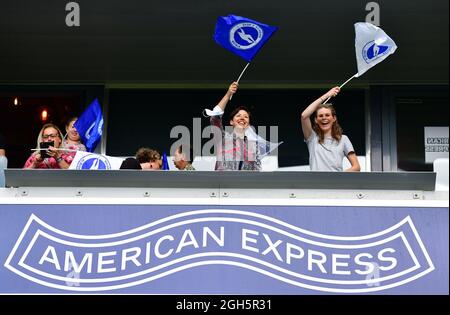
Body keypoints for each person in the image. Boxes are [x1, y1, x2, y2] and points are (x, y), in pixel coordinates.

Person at [300, 87, 360, 172]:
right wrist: (327, 95)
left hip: (336, 184)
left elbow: (356, 167)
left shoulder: (343, 139)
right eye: (320, 116)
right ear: (316, 120)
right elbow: (304, 116)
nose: (324, 118)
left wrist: (338, 177)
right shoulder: (312, 138)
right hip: (316, 184)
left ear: (334, 118)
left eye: (327, 115)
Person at [208, 82, 261, 171]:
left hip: (243, 184)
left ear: (248, 123)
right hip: (223, 183)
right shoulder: (223, 138)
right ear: (231, 122)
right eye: (238, 115)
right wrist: (228, 94)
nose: (242, 118)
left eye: (246, 117)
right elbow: (214, 118)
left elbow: (257, 170)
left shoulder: (253, 145)